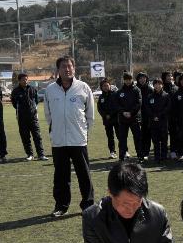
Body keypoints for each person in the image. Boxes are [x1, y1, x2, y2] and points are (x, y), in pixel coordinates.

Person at [44, 55, 95, 218]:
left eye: (70, 66)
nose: (67, 69)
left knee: (83, 173)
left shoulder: (83, 87)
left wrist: (84, 132)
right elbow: (48, 114)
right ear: (58, 70)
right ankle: (61, 206)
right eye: (63, 66)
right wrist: (54, 130)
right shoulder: (50, 90)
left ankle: (88, 204)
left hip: (78, 139)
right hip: (59, 140)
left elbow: (90, 115)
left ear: (74, 68)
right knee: (60, 175)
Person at [10, 73, 46, 161]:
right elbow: (14, 104)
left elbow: (36, 101)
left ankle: (41, 154)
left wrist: (32, 110)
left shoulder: (33, 89)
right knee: (25, 137)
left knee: (37, 136)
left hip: (33, 117)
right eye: (23, 79)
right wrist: (22, 111)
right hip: (22, 118)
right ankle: (30, 154)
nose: (25, 81)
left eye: (26, 79)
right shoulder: (15, 91)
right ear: (19, 80)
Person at [116, 72, 143, 162]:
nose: (128, 81)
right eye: (126, 79)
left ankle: (140, 156)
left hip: (134, 118)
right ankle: (122, 156)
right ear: (124, 80)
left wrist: (131, 112)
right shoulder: (120, 92)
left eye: (129, 79)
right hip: (123, 119)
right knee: (122, 138)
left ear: (132, 79)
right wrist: (123, 112)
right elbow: (117, 104)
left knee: (137, 137)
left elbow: (138, 103)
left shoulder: (136, 90)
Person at [148, 78, 171, 163]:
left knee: (164, 140)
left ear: (162, 85)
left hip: (163, 121)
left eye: (159, 84)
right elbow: (148, 108)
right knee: (155, 140)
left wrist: (159, 115)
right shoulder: (150, 96)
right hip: (153, 122)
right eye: (155, 84)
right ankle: (157, 157)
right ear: (153, 85)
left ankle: (164, 156)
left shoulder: (166, 95)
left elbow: (168, 107)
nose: (157, 86)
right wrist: (153, 116)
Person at [97, 78, 119, 159]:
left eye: (107, 85)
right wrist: (105, 115)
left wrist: (111, 114)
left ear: (110, 86)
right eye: (104, 86)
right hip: (107, 120)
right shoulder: (101, 97)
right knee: (110, 137)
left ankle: (124, 151)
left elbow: (117, 106)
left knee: (120, 136)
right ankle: (112, 152)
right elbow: (99, 108)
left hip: (116, 119)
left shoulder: (115, 94)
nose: (106, 87)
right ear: (101, 87)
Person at [136, 72, 154, 159]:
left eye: (144, 78)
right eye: (140, 78)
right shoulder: (136, 89)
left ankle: (146, 152)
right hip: (137, 115)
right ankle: (141, 152)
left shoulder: (150, 89)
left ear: (146, 79)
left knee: (147, 134)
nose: (142, 80)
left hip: (147, 116)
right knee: (139, 135)